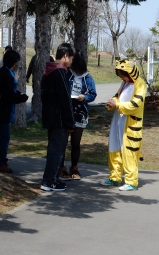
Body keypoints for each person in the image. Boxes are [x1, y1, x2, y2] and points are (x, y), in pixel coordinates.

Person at [100, 60, 146, 191]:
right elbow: (117, 97)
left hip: (130, 124)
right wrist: (112, 102)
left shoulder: (140, 84)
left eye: (123, 75)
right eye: (120, 76)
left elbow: (135, 104)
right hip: (118, 121)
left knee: (129, 152)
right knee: (114, 148)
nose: (122, 78)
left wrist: (117, 105)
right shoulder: (124, 84)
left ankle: (131, 181)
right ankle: (114, 178)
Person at [0, 50, 28, 173]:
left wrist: (17, 94)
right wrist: (22, 98)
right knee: (4, 137)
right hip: (2, 111)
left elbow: (7, 91)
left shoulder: (3, 72)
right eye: (17, 61)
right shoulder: (6, 75)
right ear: (14, 62)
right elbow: (8, 95)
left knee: (1, 136)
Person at [40, 43, 76, 191]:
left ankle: (53, 179)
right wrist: (70, 122)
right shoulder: (60, 73)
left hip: (49, 117)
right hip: (59, 119)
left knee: (54, 149)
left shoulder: (47, 72)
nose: (72, 62)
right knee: (57, 150)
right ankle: (48, 181)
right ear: (66, 56)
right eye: (72, 58)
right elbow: (65, 100)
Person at [59, 49, 97, 181]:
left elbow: (93, 94)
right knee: (63, 142)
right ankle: (61, 168)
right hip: (66, 111)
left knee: (76, 142)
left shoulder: (88, 78)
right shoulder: (66, 73)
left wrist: (84, 97)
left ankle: (74, 168)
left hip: (80, 113)